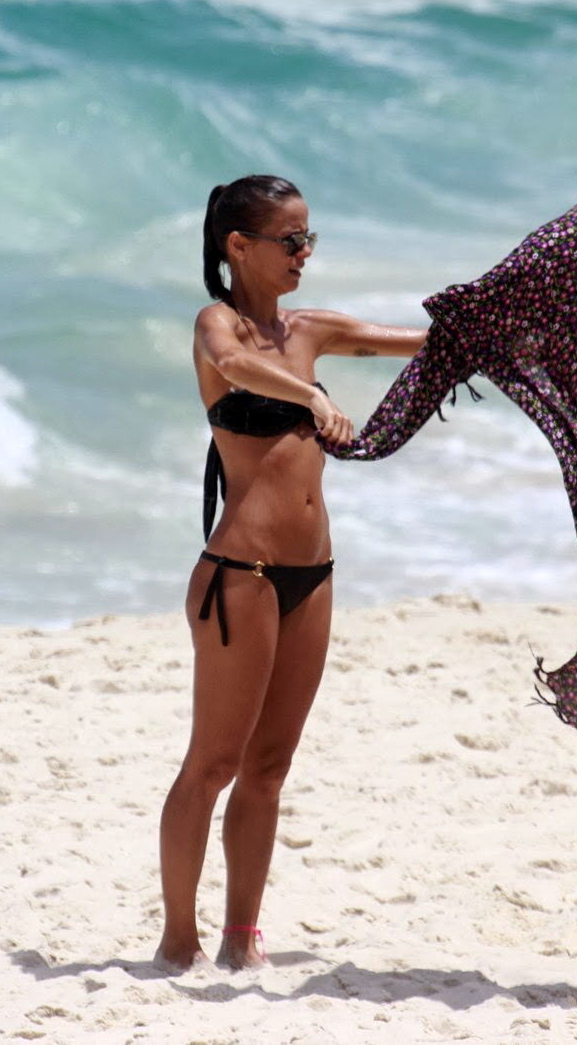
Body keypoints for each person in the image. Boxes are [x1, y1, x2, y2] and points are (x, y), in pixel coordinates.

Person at [154, 175, 426, 972]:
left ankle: (242, 937)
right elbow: (235, 365)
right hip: (242, 573)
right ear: (238, 247)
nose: (305, 253)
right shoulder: (217, 324)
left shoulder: (310, 328)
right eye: (290, 240)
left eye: (311, 239)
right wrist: (309, 394)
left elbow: (413, 342)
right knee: (214, 763)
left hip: (314, 575)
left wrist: (509, 326)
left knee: (269, 771)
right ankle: (179, 936)